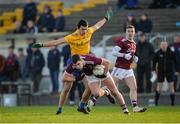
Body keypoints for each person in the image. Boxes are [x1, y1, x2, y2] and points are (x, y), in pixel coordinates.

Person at [32, 8, 114, 114]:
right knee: (67, 87)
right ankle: (59, 108)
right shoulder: (71, 37)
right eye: (82, 29)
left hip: (87, 61)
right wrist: (42, 45)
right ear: (78, 28)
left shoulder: (89, 31)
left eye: (86, 29)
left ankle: (82, 105)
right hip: (75, 61)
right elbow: (57, 42)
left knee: (90, 87)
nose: (85, 31)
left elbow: (98, 25)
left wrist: (106, 18)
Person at [111, 25, 147, 112]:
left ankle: (135, 107)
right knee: (109, 88)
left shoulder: (134, 43)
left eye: (132, 31)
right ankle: (93, 99)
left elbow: (130, 54)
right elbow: (113, 52)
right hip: (119, 68)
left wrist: (134, 58)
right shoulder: (122, 41)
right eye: (128, 31)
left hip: (128, 69)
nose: (130, 33)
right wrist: (124, 55)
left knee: (134, 87)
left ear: (134, 33)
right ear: (126, 32)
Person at [153, 41, 177, 106]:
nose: (163, 46)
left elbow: (176, 61)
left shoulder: (171, 53)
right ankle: (156, 103)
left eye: (165, 44)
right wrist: (154, 70)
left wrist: (177, 70)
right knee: (159, 87)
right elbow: (154, 62)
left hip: (170, 72)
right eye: (162, 44)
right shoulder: (157, 53)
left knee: (171, 86)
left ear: (167, 45)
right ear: (160, 46)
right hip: (161, 72)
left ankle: (172, 103)